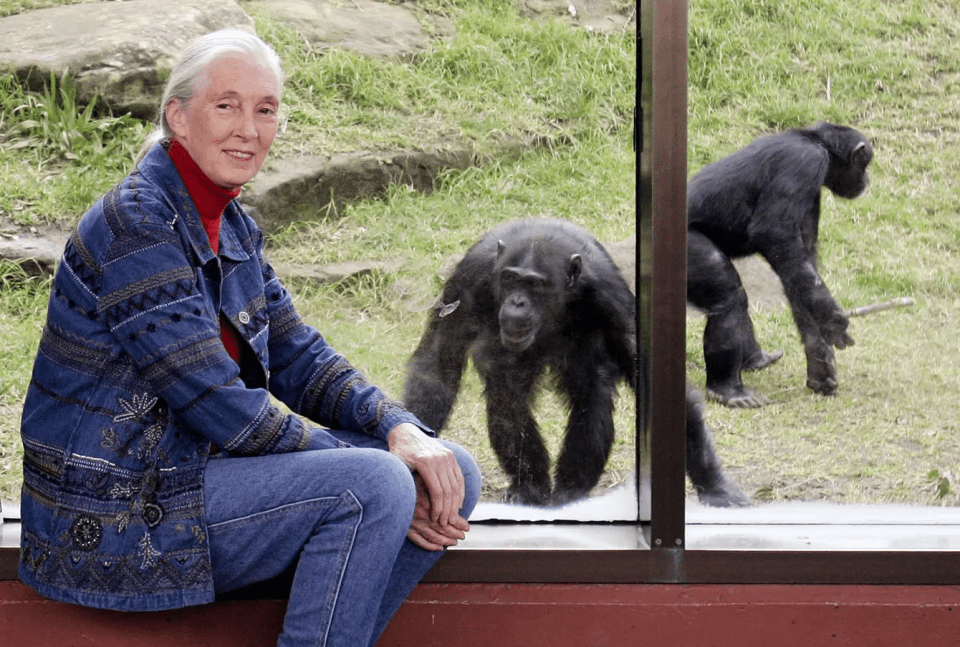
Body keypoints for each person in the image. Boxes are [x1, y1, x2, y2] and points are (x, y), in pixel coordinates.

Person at [18, 28, 480, 647]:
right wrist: (368, 460)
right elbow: (221, 406)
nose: (248, 128)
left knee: (451, 471)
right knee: (372, 483)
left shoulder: (228, 221)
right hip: (118, 507)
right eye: (226, 104)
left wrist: (397, 426)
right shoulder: (138, 225)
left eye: (265, 109)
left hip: (194, 470)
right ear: (178, 117)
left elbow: (298, 355)